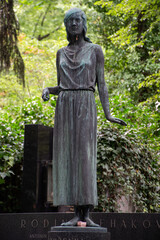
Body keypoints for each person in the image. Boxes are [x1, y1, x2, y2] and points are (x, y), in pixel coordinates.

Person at [42, 8, 126, 227]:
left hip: (85, 105)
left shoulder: (95, 50)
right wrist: (47, 90)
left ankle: (85, 214)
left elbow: (102, 84)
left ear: (84, 23)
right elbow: (61, 86)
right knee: (67, 158)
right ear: (66, 25)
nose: (74, 24)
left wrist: (108, 114)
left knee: (84, 157)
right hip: (64, 107)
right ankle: (74, 213)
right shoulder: (60, 52)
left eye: (78, 20)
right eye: (70, 21)